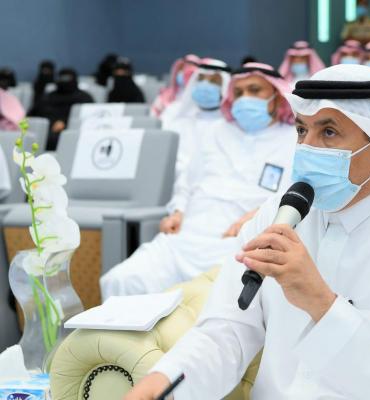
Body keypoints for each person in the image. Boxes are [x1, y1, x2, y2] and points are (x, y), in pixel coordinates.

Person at [125, 65, 370, 400]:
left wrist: (321, 303)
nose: (308, 148)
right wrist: (161, 385)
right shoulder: (278, 215)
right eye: (302, 131)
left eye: (329, 132)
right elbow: (227, 332)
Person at [100, 63, 297, 298]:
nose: (245, 98)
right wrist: (177, 211)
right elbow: (186, 183)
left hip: (241, 243)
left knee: (211, 298)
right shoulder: (214, 131)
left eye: (255, 90)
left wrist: (258, 216)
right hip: (186, 237)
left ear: (277, 95)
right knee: (121, 280)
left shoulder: (293, 139)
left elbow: (293, 195)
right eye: (238, 92)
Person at [162, 58, 231, 180]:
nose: (205, 85)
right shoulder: (178, 125)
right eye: (201, 79)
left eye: (214, 81)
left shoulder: (231, 130)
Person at [32, 68, 93, 150]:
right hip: (45, 132)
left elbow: (90, 119)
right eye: (62, 78)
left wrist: (65, 122)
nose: (64, 81)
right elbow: (33, 114)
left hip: (73, 133)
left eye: (67, 78)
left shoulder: (84, 97)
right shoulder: (48, 97)